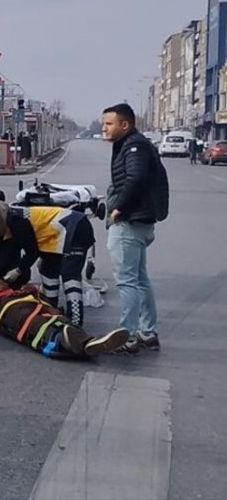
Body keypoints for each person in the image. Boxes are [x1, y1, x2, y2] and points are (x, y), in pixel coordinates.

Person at [101, 103, 169, 354]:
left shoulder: (134, 145)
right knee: (140, 279)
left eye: (109, 124)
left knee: (127, 281)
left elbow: (136, 178)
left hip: (130, 222)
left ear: (124, 125)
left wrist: (118, 208)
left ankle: (127, 337)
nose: (104, 128)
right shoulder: (133, 144)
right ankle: (147, 332)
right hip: (142, 222)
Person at [0, 279, 129, 359]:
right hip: (11, 311)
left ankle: (84, 342)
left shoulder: (11, 292)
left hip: (25, 307)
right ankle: (76, 342)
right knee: (35, 324)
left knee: (55, 319)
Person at [0, 200, 95, 326]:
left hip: (75, 229)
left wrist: (18, 270)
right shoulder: (12, 218)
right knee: (48, 269)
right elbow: (12, 251)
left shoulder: (16, 221)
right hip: (58, 236)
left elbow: (31, 251)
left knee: (69, 275)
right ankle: (51, 310)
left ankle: (76, 320)